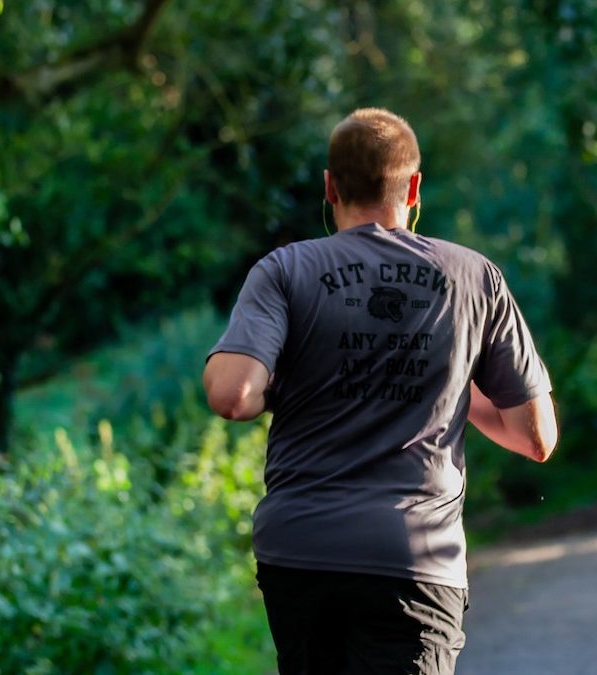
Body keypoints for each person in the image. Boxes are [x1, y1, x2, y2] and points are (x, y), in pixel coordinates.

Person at [203, 107, 557, 675]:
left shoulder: (284, 270)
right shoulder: (474, 277)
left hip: (301, 552)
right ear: (414, 187)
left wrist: (286, 378)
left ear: (330, 185)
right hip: (413, 558)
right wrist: (454, 383)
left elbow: (232, 395)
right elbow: (535, 435)